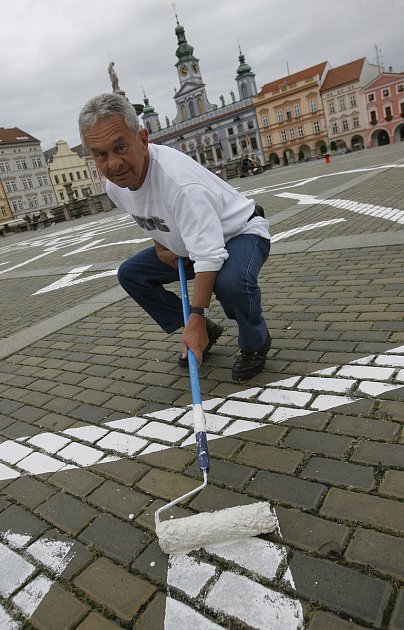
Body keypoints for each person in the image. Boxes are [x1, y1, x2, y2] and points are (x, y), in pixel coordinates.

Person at [78, 93, 271, 381]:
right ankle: (205, 329)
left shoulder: (179, 183)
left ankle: (255, 343)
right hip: (193, 245)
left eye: (120, 148)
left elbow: (210, 255)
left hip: (239, 233)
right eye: (100, 154)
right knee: (131, 274)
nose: (113, 164)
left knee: (232, 284)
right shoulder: (114, 185)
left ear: (142, 140)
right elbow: (144, 211)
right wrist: (161, 243)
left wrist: (195, 314)